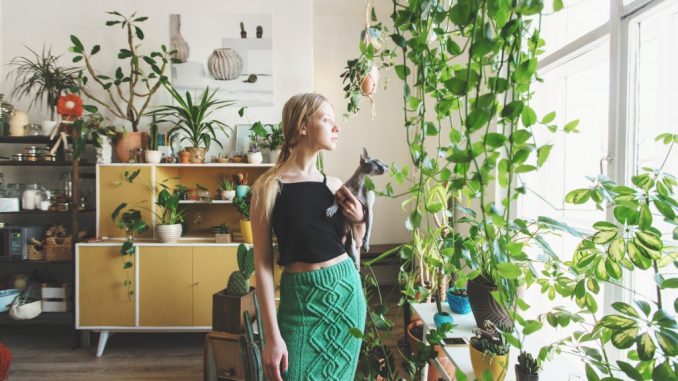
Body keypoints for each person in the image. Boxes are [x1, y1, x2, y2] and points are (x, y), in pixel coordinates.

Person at [250, 93, 367, 381]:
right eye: (327, 120)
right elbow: (263, 265)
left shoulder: (334, 185)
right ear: (303, 126)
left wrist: (359, 220)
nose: (336, 127)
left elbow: (356, 244)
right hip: (300, 304)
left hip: (345, 295)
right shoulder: (268, 187)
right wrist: (271, 336)